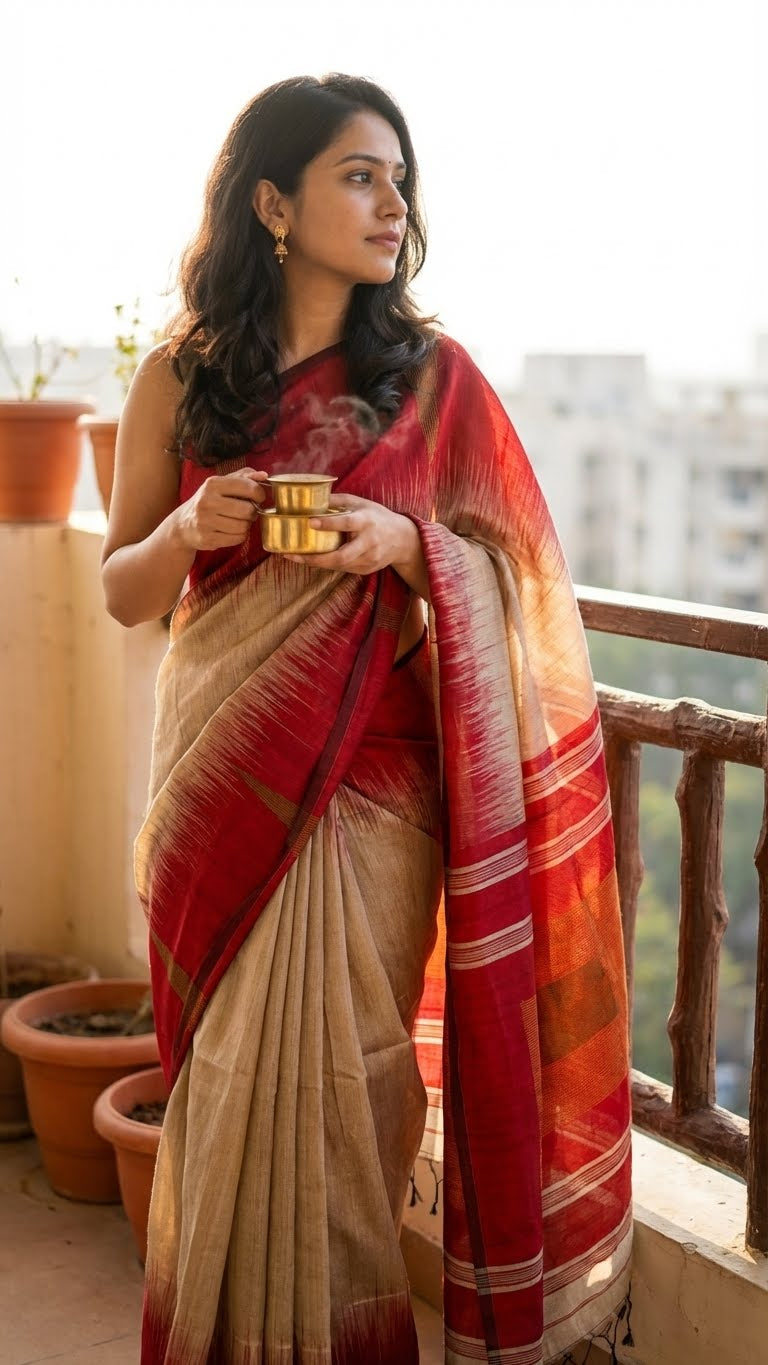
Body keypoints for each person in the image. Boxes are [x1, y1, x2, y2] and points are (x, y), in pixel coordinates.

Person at [101, 73, 632, 1365]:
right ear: (273, 203)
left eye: (400, 178)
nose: (394, 201)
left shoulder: (435, 382)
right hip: (221, 784)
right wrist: (190, 523)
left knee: (348, 1090)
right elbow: (122, 587)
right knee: (224, 1093)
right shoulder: (181, 377)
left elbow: (520, 580)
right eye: (359, 174)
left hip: (373, 796)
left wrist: (409, 543)